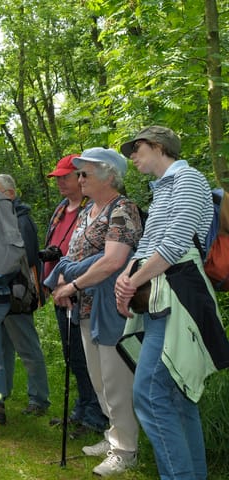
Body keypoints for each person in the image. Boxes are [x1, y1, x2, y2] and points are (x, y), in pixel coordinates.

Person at [116, 126, 229, 480]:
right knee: (178, 398)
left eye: (136, 148)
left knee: (150, 394)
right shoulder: (163, 187)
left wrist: (132, 280)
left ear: (159, 146)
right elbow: (151, 242)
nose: (132, 156)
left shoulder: (189, 180)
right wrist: (127, 275)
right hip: (159, 295)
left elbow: (175, 245)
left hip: (177, 295)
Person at [49, 147, 142, 476]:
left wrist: (72, 286)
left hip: (111, 307)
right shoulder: (88, 210)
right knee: (99, 379)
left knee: (117, 380)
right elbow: (74, 253)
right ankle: (112, 435)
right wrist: (62, 276)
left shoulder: (123, 209)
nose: (80, 179)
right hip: (86, 308)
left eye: (85, 173)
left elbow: (114, 261)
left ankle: (126, 450)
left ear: (107, 175)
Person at [42, 154, 107, 434]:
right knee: (73, 357)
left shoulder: (93, 209)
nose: (62, 183)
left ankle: (96, 415)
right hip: (61, 290)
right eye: (58, 178)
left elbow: (91, 254)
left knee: (87, 355)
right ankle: (82, 408)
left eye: (66, 177)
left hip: (84, 291)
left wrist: (67, 281)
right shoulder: (61, 209)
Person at [0, 174, 50, 422]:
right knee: (1, 348)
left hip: (16, 295)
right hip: (1, 295)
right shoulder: (3, 217)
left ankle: (39, 399)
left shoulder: (20, 220)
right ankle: (0, 397)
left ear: (10, 193)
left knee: (27, 348)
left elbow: (24, 258)